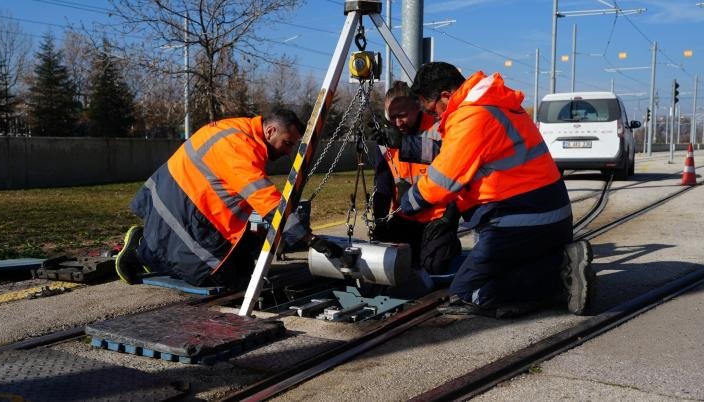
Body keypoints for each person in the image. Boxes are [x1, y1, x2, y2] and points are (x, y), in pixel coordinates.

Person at [401, 62, 595, 316]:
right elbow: (454, 151)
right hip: (545, 215)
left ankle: (560, 272)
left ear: (446, 96)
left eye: (434, 111)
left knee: (470, 292)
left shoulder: (472, 115)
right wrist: (406, 145)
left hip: (519, 219)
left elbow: (441, 182)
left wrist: (408, 203)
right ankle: (559, 260)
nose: (435, 118)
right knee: (488, 275)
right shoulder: (492, 103)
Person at [116, 107, 342, 290]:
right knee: (212, 276)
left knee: (248, 249)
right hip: (184, 210)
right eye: (287, 144)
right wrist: (309, 239)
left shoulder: (239, 130)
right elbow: (265, 199)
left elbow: (246, 198)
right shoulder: (240, 147)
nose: (287, 152)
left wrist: (265, 232)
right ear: (271, 131)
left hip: (182, 199)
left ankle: (151, 245)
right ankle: (142, 252)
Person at [371, 81, 462, 275]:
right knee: (387, 265)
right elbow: (383, 187)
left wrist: (449, 219)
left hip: (437, 217)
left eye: (402, 115)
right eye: (392, 117)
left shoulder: (440, 130)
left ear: (416, 107)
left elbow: (457, 172)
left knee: (435, 265)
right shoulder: (386, 139)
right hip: (404, 216)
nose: (398, 122)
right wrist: (379, 222)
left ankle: (448, 248)